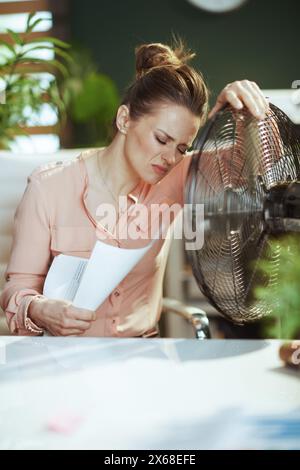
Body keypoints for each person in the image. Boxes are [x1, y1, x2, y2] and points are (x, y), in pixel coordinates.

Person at [0, 41, 269, 337]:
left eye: (182, 148)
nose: (170, 158)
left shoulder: (175, 176)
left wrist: (246, 116)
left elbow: (246, 171)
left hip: (141, 356)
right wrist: (40, 309)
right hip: (64, 357)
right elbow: (18, 289)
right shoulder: (48, 188)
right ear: (125, 119)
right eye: (161, 139)